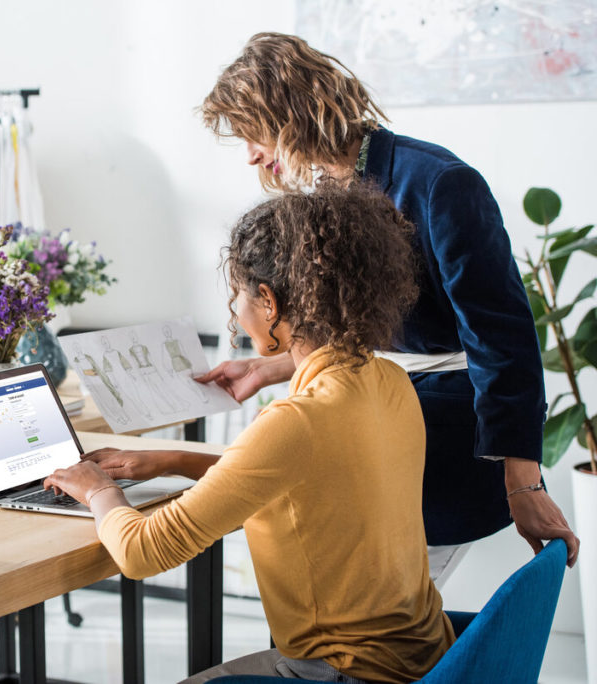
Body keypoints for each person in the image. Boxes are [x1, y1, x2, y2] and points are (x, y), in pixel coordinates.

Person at [194, 32, 577, 564]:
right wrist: (270, 369)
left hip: (448, 426)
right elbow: (361, 329)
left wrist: (524, 483)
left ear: (288, 112)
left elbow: (503, 340)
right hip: (386, 408)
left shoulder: (442, 184)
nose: (252, 155)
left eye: (252, 134)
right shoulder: (327, 194)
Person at [45, 184, 453, 683]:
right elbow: (310, 483)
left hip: (350, 672)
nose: (235, 309)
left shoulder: (296, 423)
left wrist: (97, 489)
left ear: (269, 301)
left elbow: (141, 551)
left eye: (237, 293)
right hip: (427, 659)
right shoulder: (389, 380)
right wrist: (173, 461)